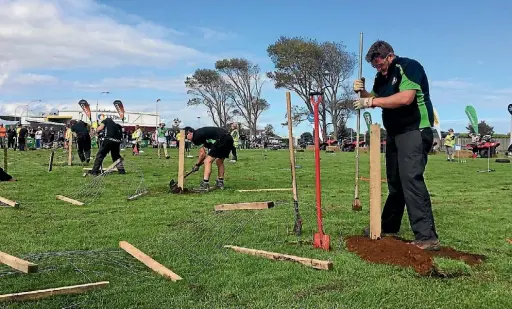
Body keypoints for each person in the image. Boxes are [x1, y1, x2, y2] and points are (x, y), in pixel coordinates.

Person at [352, 40, 439, 250]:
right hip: (395, 133)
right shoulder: (381, 78)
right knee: (395, 182)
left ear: (390, 56)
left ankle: (427, 237)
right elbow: (378, 98)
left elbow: (405, 98)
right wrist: (363, 93)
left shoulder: (408, 67)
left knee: (411, 179)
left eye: (380, 64)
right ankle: (389, 226)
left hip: (415, 130)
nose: (378, 68)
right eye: (374, 66)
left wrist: (371, 102)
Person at [184, 126, 234, 191]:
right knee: (219, 161)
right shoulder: (200, 133)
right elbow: (205, 154)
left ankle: (205, 184)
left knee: (207, 161)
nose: (187, 139)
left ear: (189, 133)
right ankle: (220, 183)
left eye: (186, 136)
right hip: (229, 138)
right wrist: (198, 164)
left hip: (221, 139)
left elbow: (202, 154)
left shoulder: (195, 137)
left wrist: (197, 165)